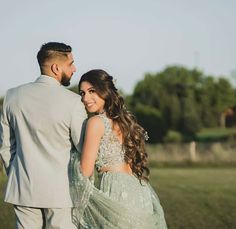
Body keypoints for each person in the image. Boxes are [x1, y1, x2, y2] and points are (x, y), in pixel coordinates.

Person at [0, 42, 87, 228]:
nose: (74, 68)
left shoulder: (12, 96)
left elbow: (6, 146)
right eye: (71, 63)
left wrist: (17, 174)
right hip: (62, 193)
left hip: (23, 188)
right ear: (56, 67)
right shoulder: (73, 102)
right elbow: (83, 148)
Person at [69, 69, 167, 228]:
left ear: (105, 91)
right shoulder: (124, 121)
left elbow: (85, 171)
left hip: (115, 189)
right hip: (138, 189)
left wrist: (72, 156)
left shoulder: (95, 123)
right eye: (82, 93)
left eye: (91, 91)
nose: (85, 98)